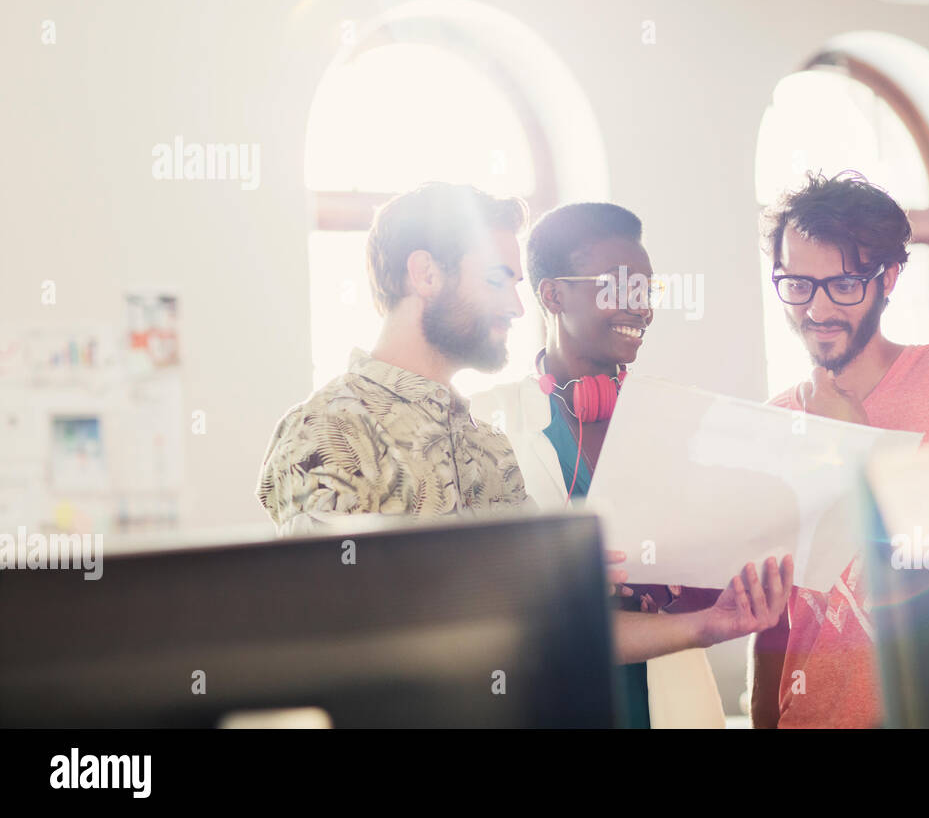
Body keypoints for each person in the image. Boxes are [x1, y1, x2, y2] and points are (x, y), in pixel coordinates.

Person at [255, 182, 793, 703]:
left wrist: (706, 624)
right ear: (425, 275)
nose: (517, 307)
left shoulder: (485, 447)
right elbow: (324, 627)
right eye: (497, 280)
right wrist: (513, 576)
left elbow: (556, 629)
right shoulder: (329, 428)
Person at [749, 170, 929, 729]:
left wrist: (856, 444)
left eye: (845, 284)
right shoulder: (771, 425)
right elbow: (775, 628)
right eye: (798, 284)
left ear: (890, 279)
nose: (818, 309)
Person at [471, 202, 731, 728]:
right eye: (621, 289)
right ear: (553, 294)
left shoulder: (682, 418)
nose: (643, 309)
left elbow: (725, 563)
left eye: (647, 291)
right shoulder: (484, 422)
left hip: (665, 700)